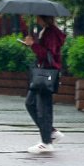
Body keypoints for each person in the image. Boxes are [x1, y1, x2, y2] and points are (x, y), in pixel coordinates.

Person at [24, 15, 66, 154]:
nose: (35, 19)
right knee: (30, 103)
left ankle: (46, 142)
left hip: (47, 73)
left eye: (38, 17)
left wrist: (33, 45)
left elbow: (49, 54)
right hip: (42, 73)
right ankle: (51, 132)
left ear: (43, 18)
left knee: (44, 108)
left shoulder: (51, 32)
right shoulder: (45, 31)